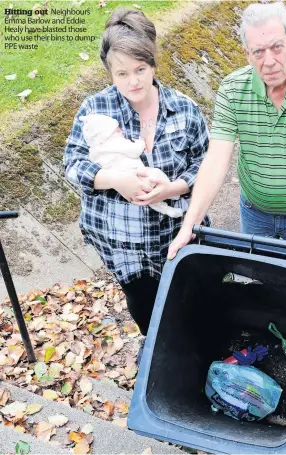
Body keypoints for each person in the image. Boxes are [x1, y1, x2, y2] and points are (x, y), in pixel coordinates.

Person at [168, 2, 286, 294]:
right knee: (262, 284)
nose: (270, 60)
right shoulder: (232, 89)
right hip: (254, 212)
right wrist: (190, 224)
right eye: (258, 52)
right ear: (247, 54)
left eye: (277, 47)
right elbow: (216, 161)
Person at [63, 8, 210, 336]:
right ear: (110, 72)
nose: (133, 82)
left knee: (192, 301)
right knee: (144, 307)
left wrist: (171, 188)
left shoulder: (184, 109)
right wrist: (116, 181)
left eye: (140, 69)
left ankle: (191, 350)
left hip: (177, 235)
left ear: (153, 63)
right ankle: (157, 348)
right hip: (121, 242)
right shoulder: (95, 110)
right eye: (122, 74)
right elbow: (72, 165)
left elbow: (206, 164)